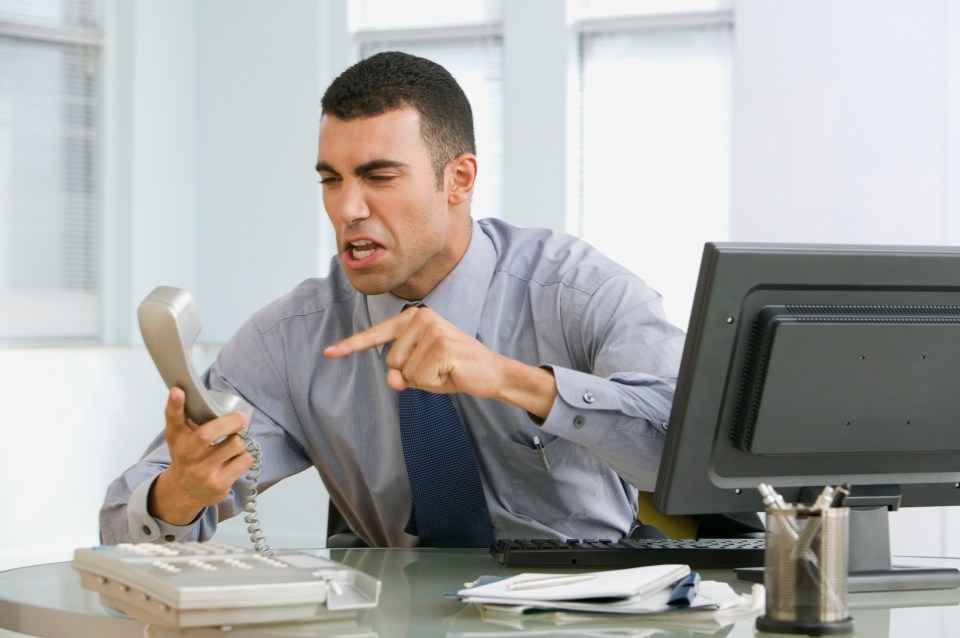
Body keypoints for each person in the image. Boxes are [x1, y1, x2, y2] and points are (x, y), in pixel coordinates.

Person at [100, 51, 685, 548]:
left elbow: (689, 457)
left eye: (379, 178)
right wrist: (179, 493)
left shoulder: (575, 292)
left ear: (458, 180)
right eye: (332, 179)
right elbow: (119, 524)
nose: (348, 209)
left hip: (591, 612)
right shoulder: (292, 337)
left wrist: (513, 380)